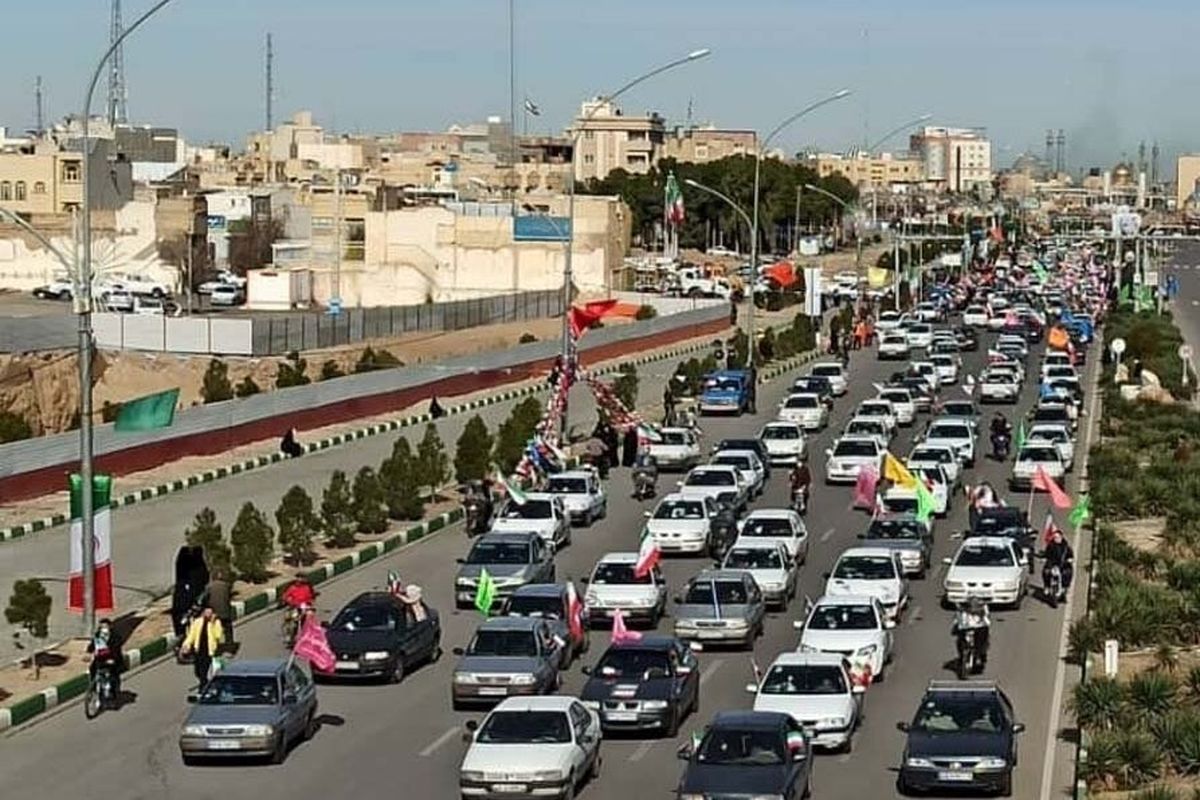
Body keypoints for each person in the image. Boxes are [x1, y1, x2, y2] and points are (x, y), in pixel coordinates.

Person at [180, 606, 225, 691]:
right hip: (198, 650)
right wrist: (186, 645)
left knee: (204, 670)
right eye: (206, 612)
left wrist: (212, 624)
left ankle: (203, 687)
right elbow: (191, 636)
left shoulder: (216, 623)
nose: (208, 615)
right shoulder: (197, 622)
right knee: (197, 671)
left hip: (208, 651)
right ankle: (205, 682)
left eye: (210, 613)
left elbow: (218, 635)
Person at [87, 618, 124, 702]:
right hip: (100, 658)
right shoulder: (98, 635)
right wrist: (88, 652)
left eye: (105, 626)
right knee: (92, 668)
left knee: (113, 676)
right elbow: (93, 645)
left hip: (113, 659)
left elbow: (116, 650)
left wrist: (112, 659)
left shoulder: (115, 637)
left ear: (110, 627)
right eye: (102, 627)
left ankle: (113, 694)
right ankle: (93, 688)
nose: (103, 629)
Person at [952, 596, 991, 669]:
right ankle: (962, 656)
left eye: (975, 604)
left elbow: (987, 621)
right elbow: (957, 620)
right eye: (971, 604)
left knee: (981, 643)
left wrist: (984, 624)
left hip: (979, 629)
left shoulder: (983, 610)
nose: (973, 607)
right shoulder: (962, 611)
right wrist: (956, 627)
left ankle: (981, 655)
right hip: (966, 629)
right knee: (960, 641)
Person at [204, 569, 234, 647]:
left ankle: (214, 646)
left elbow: (205, 598)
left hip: (214, 613)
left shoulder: (209, 587)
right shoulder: (227, 586)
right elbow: (229, 597)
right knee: (228, 630)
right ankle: (230, 647)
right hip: (225, 612)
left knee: (212, 630)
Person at [1043, 528, 1075, 592]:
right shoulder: (1050, 546)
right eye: (1055, 537)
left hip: (1063, 564)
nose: (1056, 539)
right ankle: (1047, 586)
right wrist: (1044, 558)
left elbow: (1070, 555)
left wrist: (1070, 559)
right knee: (1046, 572)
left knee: (1068, 572)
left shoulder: (1066, 547)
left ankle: (1065, 587)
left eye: (1057, 537)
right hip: (1052, 564)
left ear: (1061, 537)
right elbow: (1046, 554)